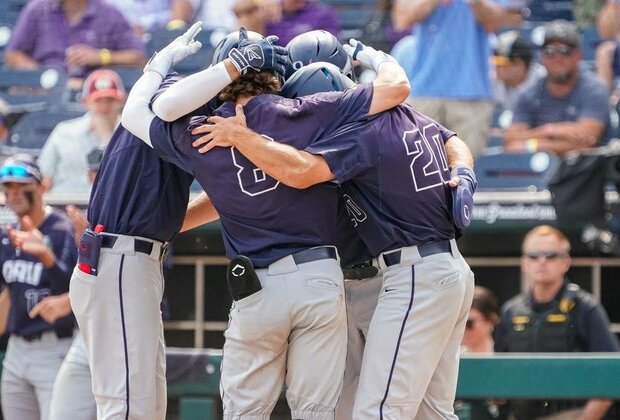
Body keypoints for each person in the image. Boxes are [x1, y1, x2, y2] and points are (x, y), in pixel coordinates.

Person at [122, 27, 409, 418]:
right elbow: (395, 92)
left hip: (257, 287)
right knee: (316, 412)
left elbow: (136, 113)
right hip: (320, 279)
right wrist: (375, 57)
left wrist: (157, 68)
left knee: (244, 412)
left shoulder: (199, 131)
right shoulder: (308, 111)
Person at [188, 58, 476, 418]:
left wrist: (241, 135)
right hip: (430, 271)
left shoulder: (355, 132)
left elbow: (300, 171)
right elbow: (454, 140)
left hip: (402, 276)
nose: (298, 120)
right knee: (428, 411)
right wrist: (464, 171)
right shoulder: (403, 116)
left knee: (379, 410)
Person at [66, 23, 287, 420]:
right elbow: (165, 106)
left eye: (262, 84)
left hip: (135, 257)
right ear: (224, 71)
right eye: (247, 80)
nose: (252, 95)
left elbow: (226, 194)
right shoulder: (181, 94)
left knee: (146, 403)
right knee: (127, 404)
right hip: (118, 254)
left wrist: (167, 225)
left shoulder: (214, 119)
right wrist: (235, 66)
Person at [495, 225, 620, 420]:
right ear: (524, 262)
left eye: (551, 255)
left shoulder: (586, 308)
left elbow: (612, 373)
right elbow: (498, 372)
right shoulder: (511, 311)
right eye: (534, 255)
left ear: (566, 262)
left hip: (571, 413)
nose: (542, 262)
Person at [392, 0, 525, 157]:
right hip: (424, 90)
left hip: (471, 92)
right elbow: (402, 19)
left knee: (463, 172)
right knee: (417, 169)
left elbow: (503, 21)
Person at [0, 154, 78, 420]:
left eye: (22, 187)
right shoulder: (6, 232)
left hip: (54, 346)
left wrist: (46, 256)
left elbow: (74, 289)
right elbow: (7, 290)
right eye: (7, 187)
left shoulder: (61, 228)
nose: (14, 194)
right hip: (16, 349)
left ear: (42, 187)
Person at [504, 19, 610, 155]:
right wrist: (546, 132)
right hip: (538, 174)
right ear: (541, 56)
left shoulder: (594, 88)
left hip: (587, 172)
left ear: (579, 55)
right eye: (550, 51)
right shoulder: (529, 91)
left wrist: (533, 140)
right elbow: (511, 142)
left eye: (565, 51)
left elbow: (588, 140)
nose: (557, 58)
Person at [38, 69, 125, 193]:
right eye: (98, 100)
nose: (104, 107)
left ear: (121, 101)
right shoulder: (64, 132)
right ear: (85, 102)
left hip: (110, 209)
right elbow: (44, 177)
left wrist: (107, 137)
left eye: (110, 100)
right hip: (63, 205)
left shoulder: (132, 134)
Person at [5, 0, 146, 77]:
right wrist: (45, 75)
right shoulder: (37, 9)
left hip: (93, 88)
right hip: (45, 89)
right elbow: (13, 54)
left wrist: (102, 56)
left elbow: (138, 57)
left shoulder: (108, 13)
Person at [492, 30, 545, 111]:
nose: (496, 67)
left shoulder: (543, 79)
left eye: (501, 64)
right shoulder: (492, 79)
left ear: (520, 64)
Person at [266, 0, 341, 45]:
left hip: (309, 62)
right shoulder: (267, 11)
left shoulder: (323, 13)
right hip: (276, 63)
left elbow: (332, 45)